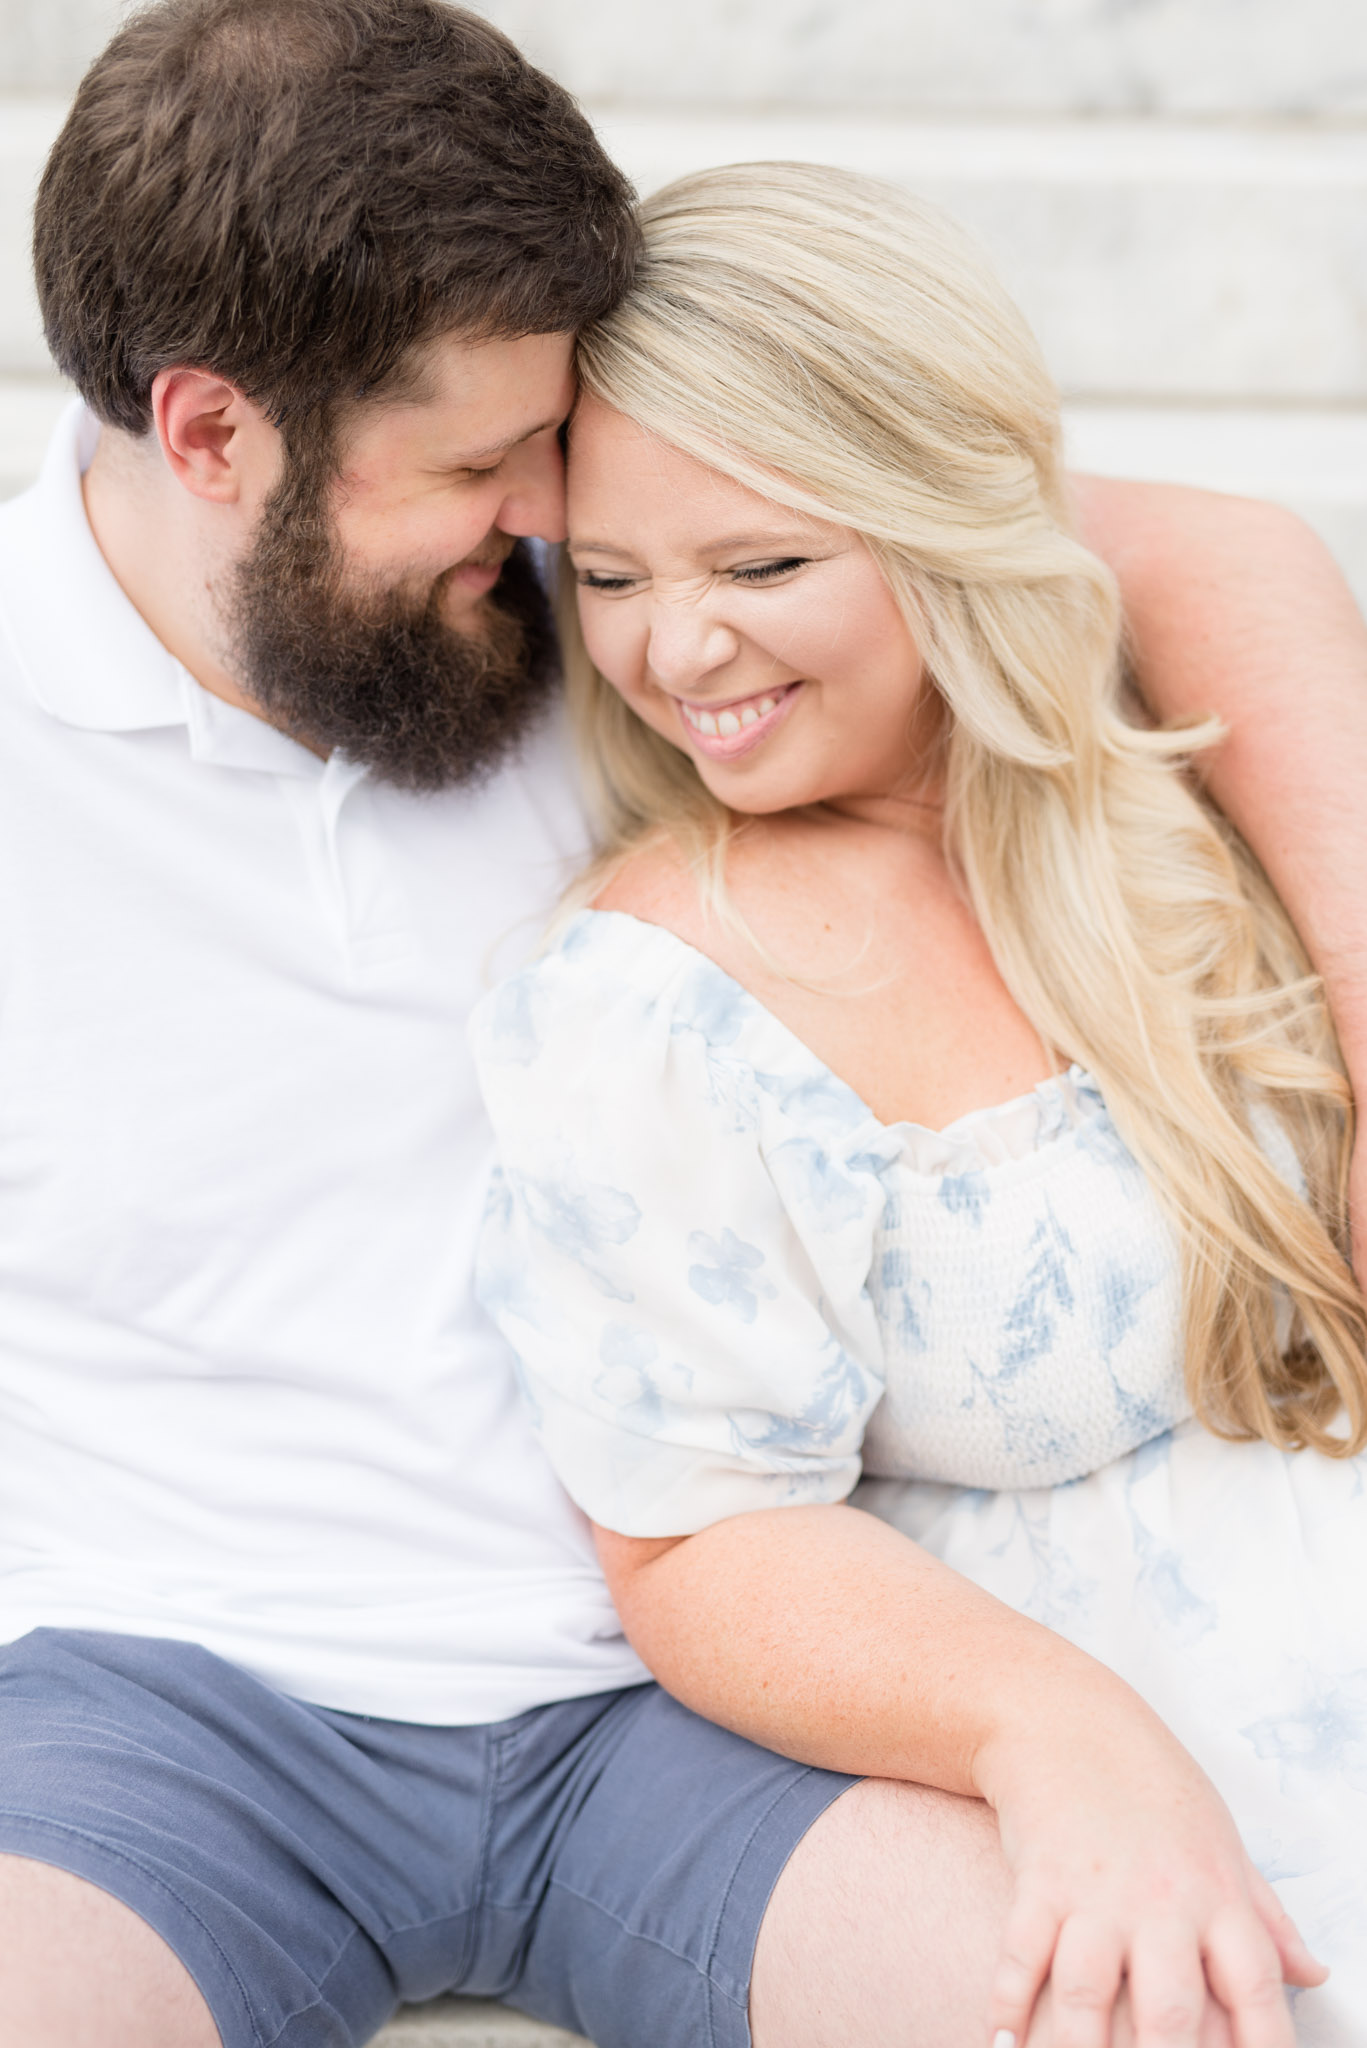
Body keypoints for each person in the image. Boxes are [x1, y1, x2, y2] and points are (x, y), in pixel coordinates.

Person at [3, 2, 1367, 2044]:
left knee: (1159, 2004)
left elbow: (1192, 559)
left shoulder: (640, 608)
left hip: (663, 1722)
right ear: (210, 435)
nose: (553, 519)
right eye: (481, 466)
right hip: (179, 1713)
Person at [470, 162, 1367, 2048]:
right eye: (613, 580)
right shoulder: (655, 990)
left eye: (761, 565)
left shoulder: (1151, 794)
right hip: (1138, 1742)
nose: (675, 656)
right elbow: (698, 1540)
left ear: (946, 524)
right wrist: (1060, 1738)